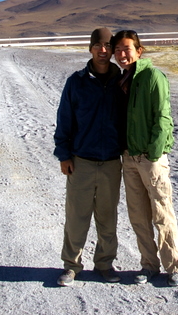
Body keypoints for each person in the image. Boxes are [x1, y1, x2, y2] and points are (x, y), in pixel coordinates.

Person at [112, 29, 178, 287]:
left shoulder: (153, 76)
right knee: (138, 216)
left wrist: (154, 154)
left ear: (139, 51)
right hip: (129, 157)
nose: (121, 54)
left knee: (162, 212)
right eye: (117, 50)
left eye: (127, 49)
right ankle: (148, 265)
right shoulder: (122, 79)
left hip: (150, 158)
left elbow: (163, 117)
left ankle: (173, 266)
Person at [53, 27, 123, 286]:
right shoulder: (77, 81)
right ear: (90, 48)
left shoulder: (122, 81)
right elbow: (64, 119)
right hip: (81, 160)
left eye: (107, 46)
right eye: (98, 46)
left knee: (108, 217)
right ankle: (71, 266)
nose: (103, 50)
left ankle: (105, 264)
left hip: (112, 162)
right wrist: (64, 155)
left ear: (112, 50)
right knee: (76, 217)